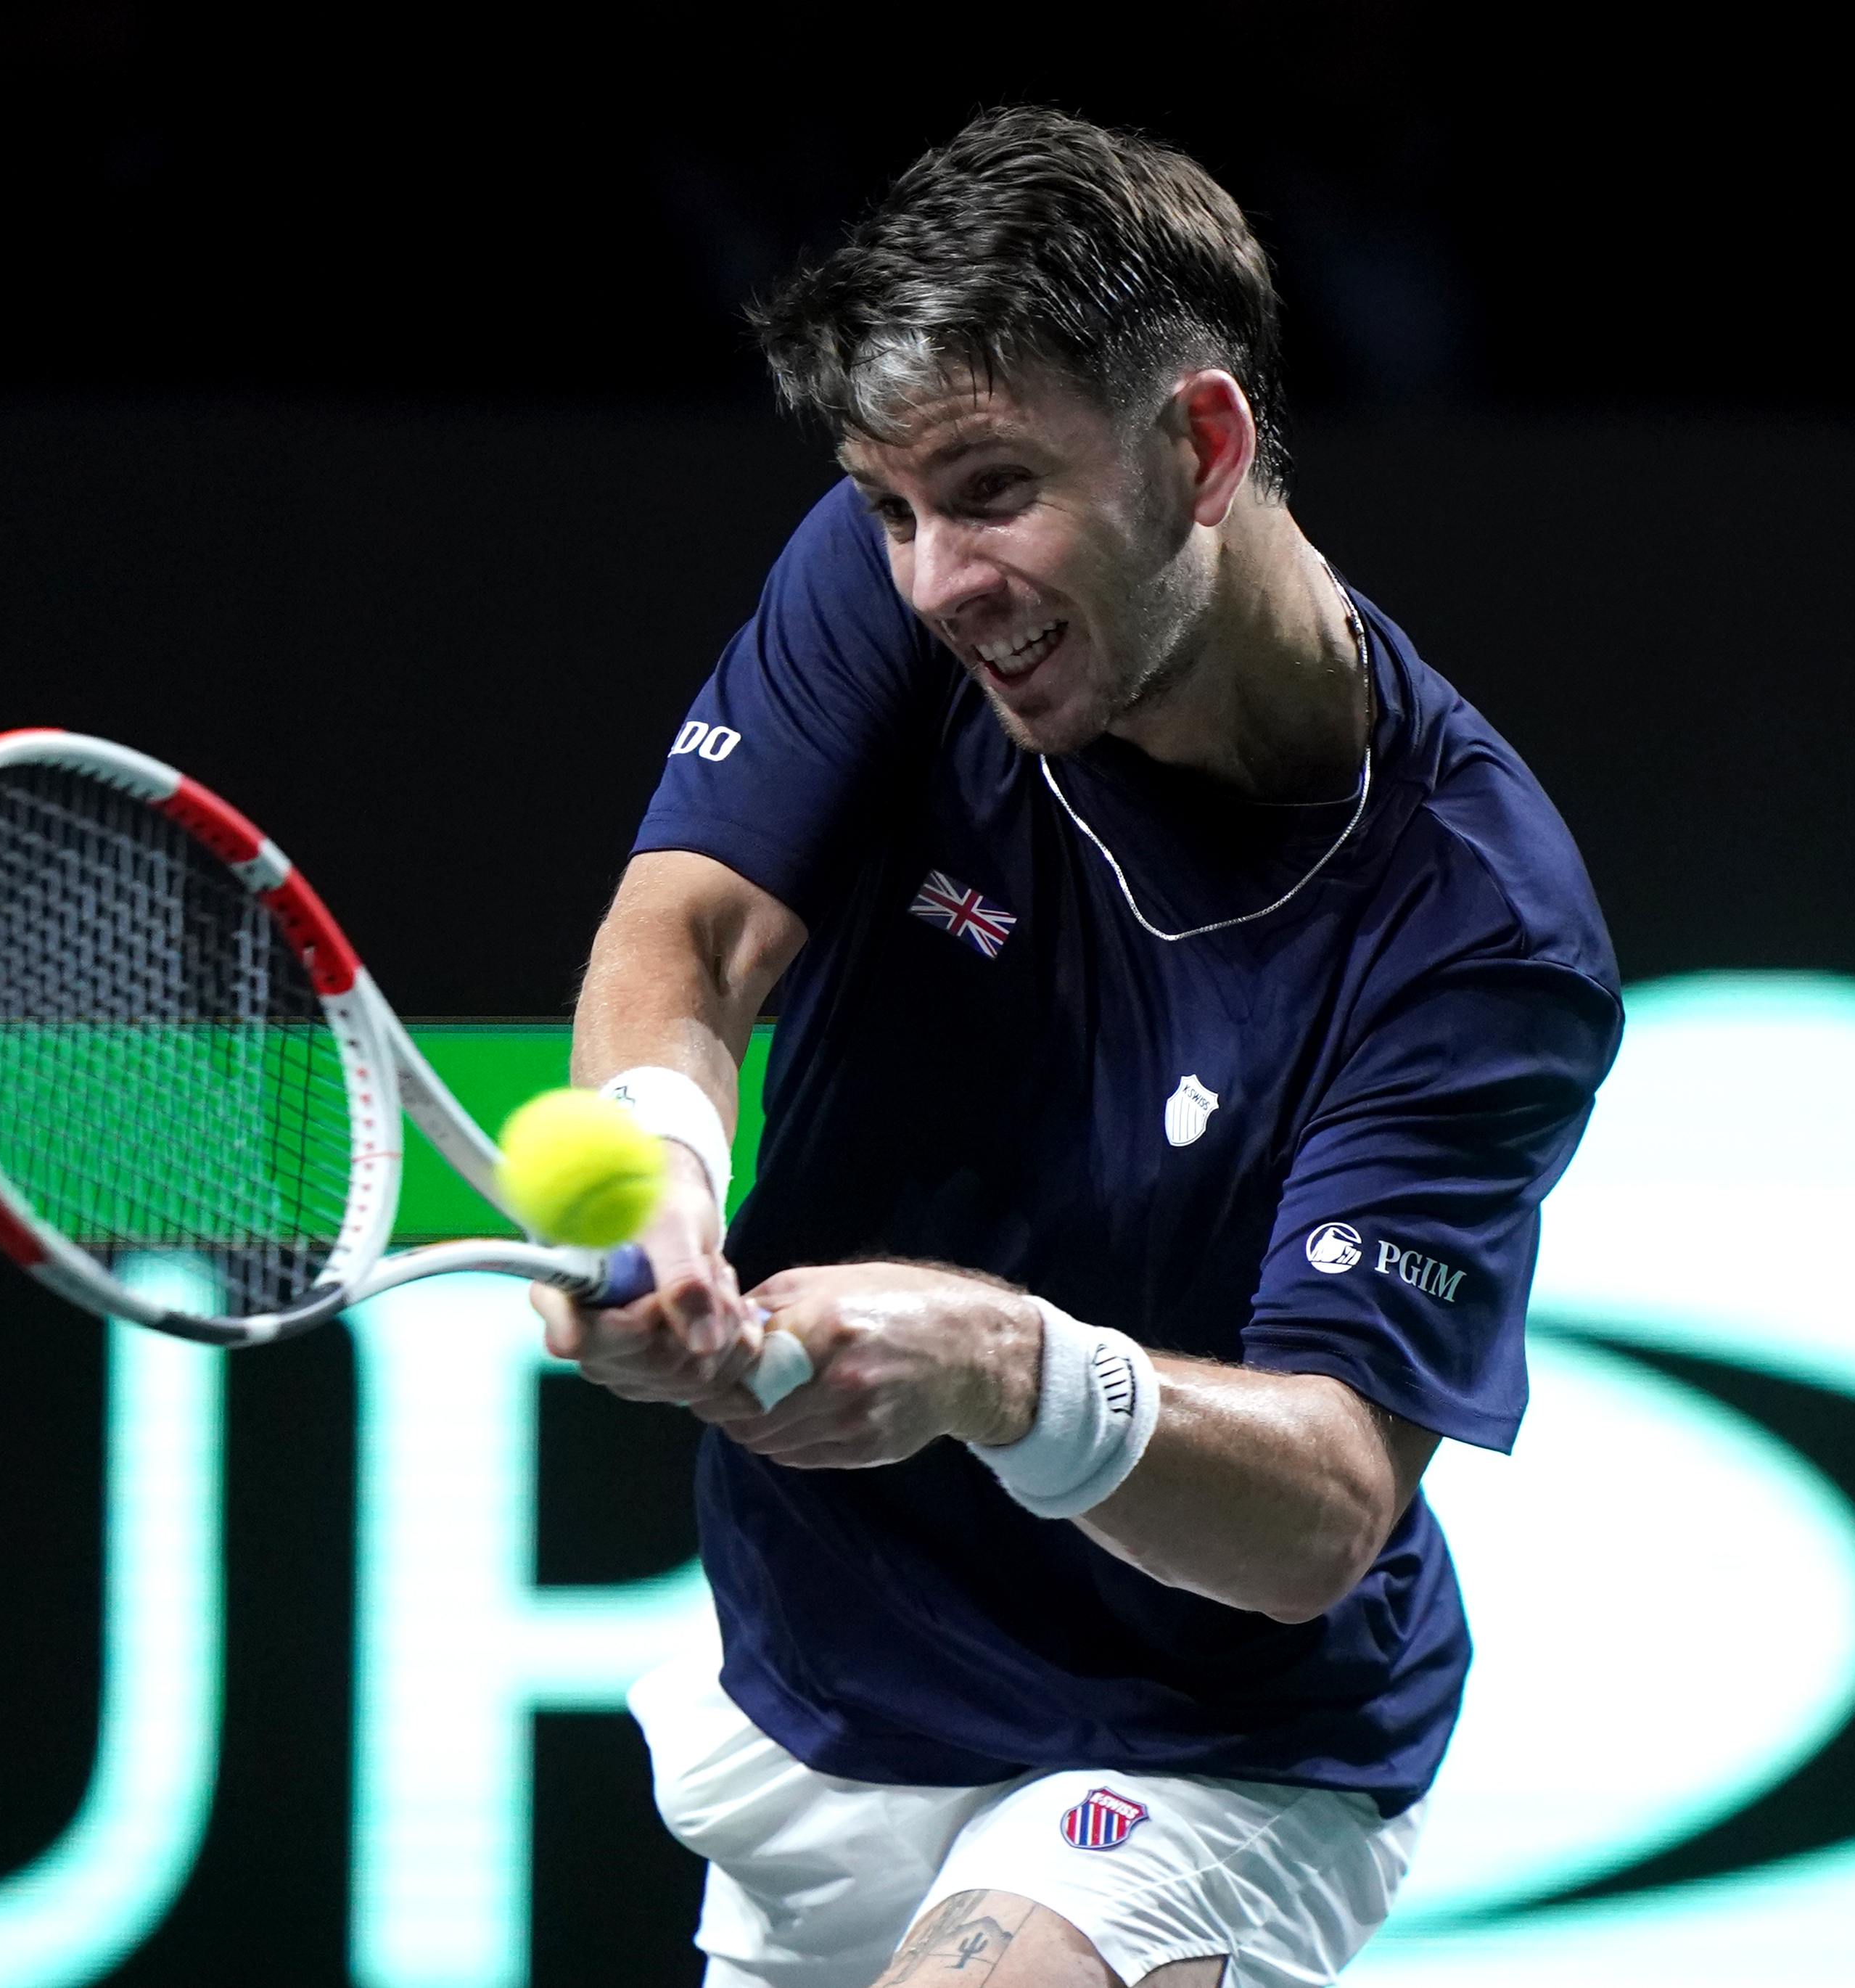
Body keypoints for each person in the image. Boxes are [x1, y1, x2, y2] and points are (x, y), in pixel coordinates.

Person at [529, 106, 1621, 1988]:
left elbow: (1324, 1511)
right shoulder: (891, 584)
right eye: (893, 509)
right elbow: (691, 932)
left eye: (994, 490)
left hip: (1195, 1736)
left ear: (1200, 448)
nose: (941, 575)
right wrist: (658, 1174)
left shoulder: (1474, 921)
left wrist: (1005, 1364)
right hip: (828, 1670)